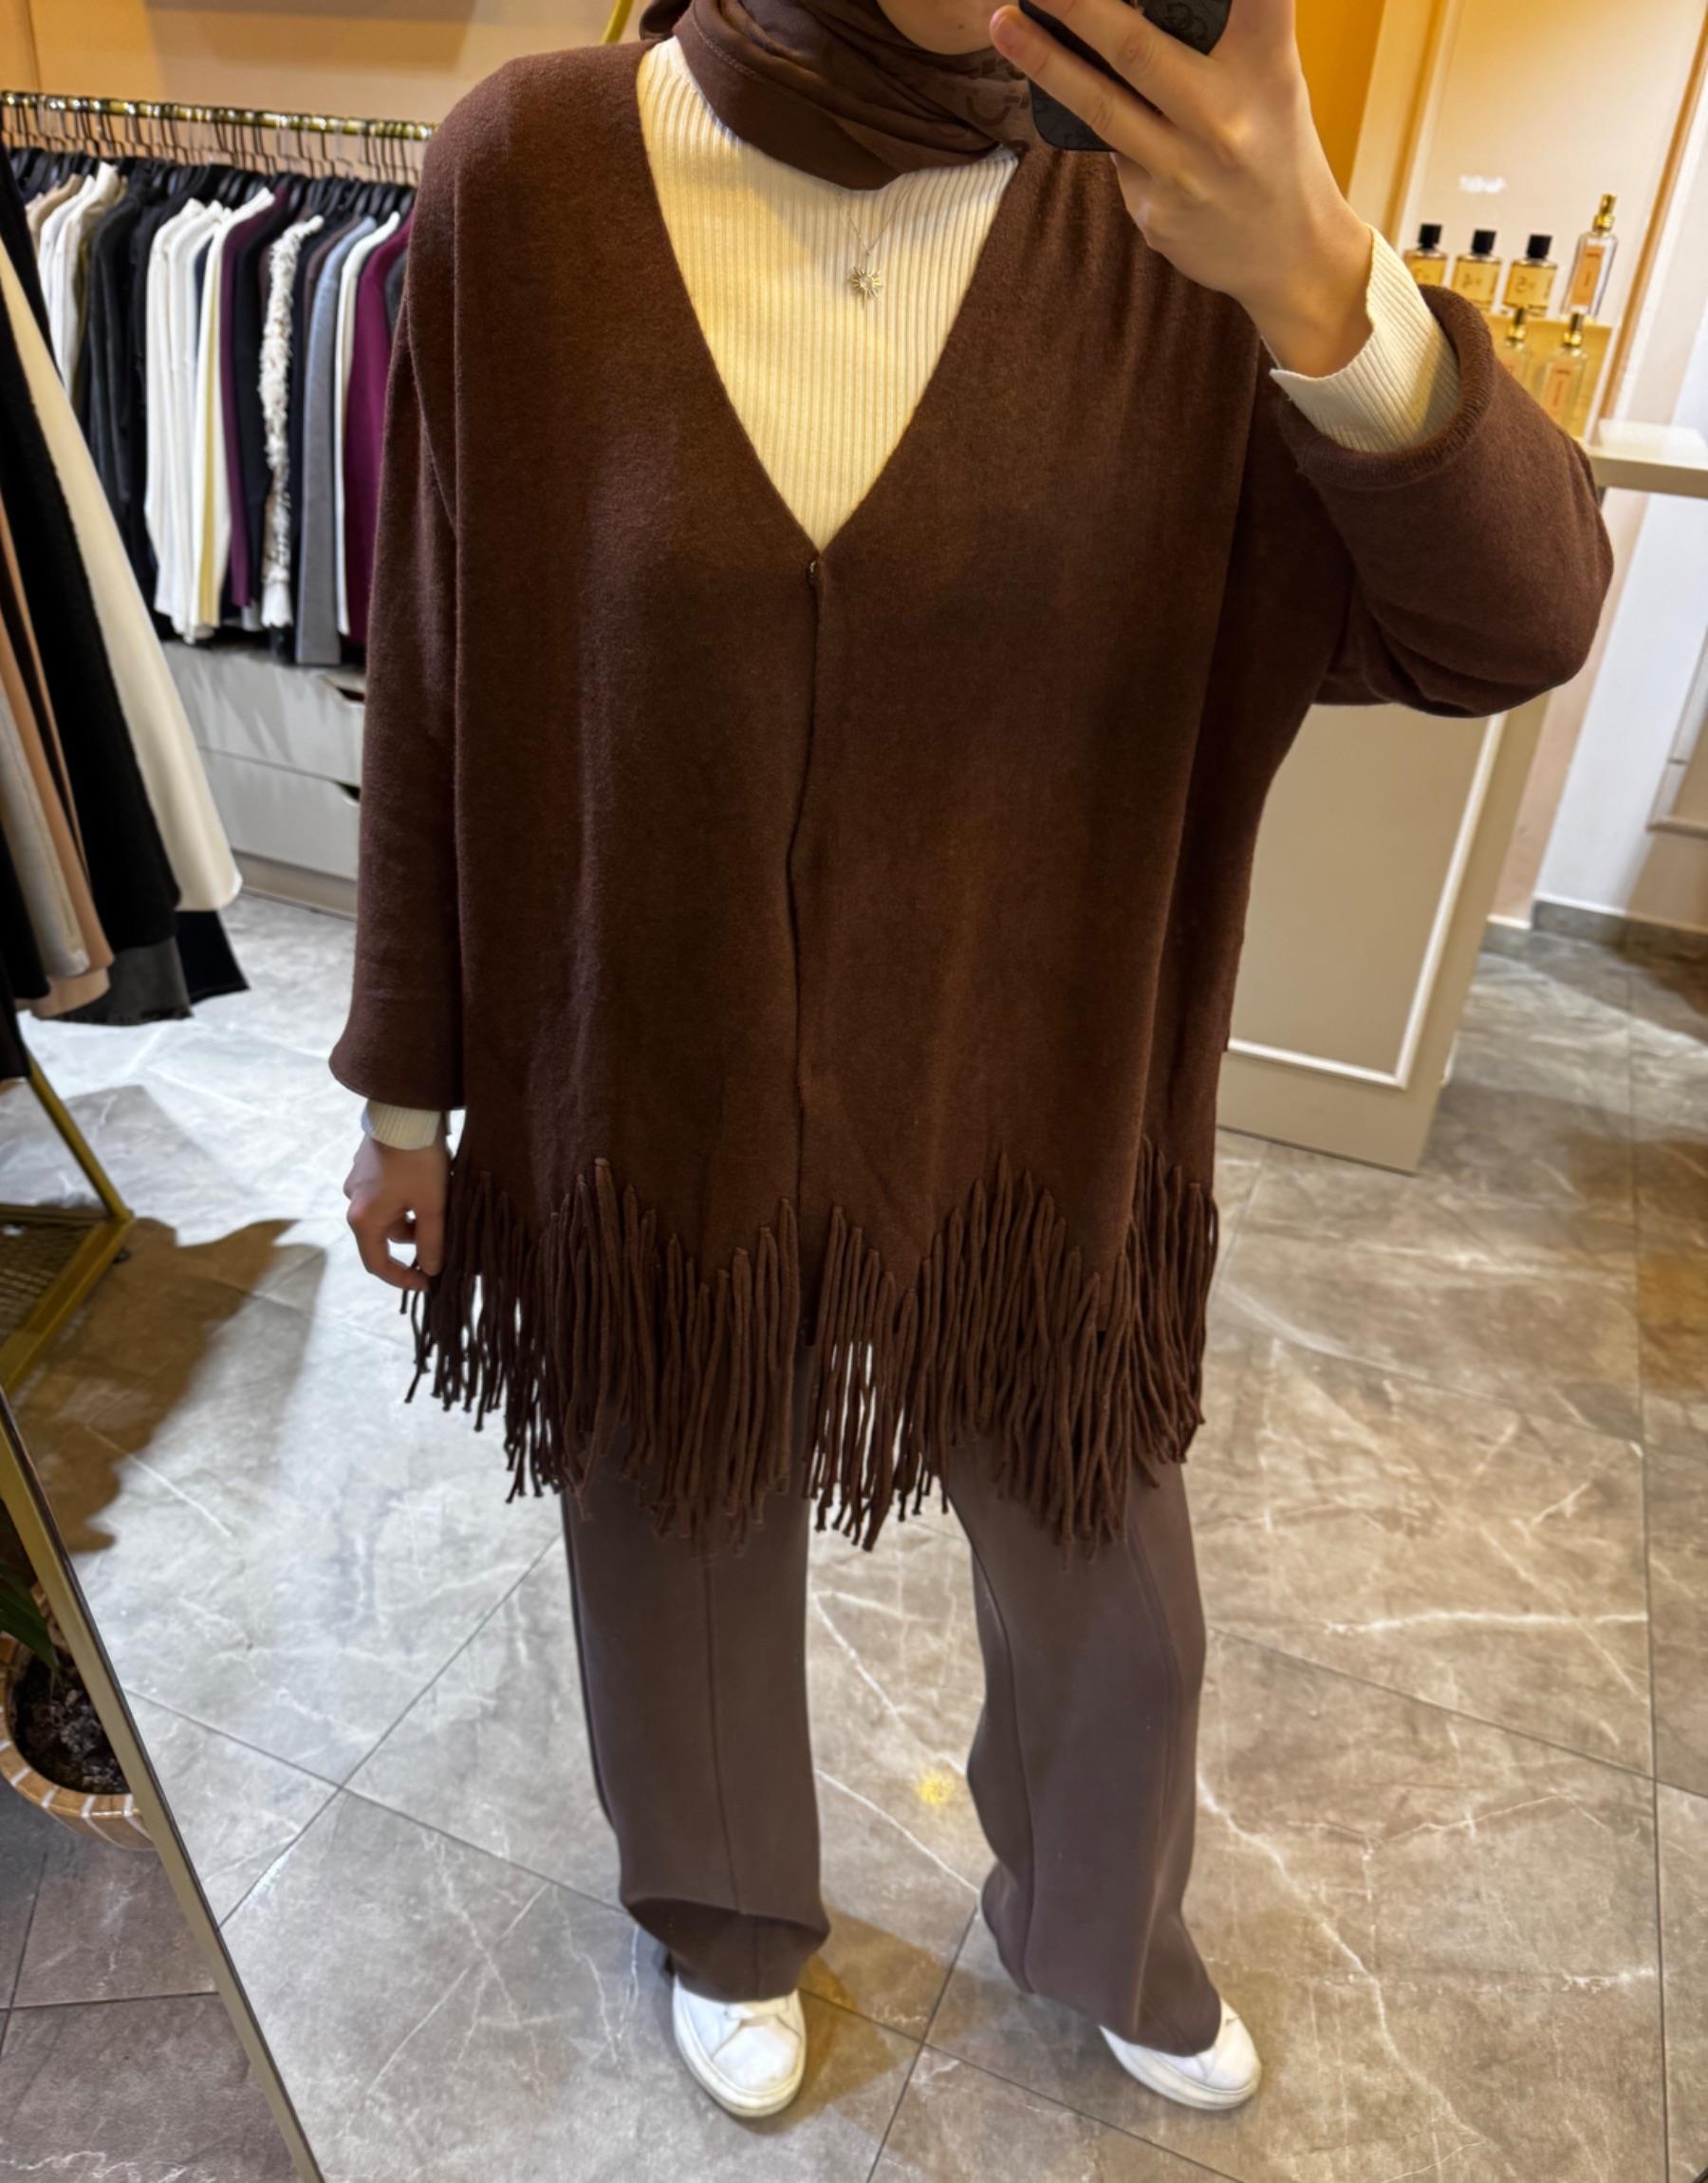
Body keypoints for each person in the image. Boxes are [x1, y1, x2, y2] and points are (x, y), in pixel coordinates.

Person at [332, 0, 1613, 2125]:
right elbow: (441, 659)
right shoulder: (532, 175)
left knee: (1118, 1607)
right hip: (651, 1092)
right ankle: (723, 1917)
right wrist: (408, 1089)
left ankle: (1105, 1924)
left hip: (1033, 1113)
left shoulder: (1173, 224)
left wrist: (1314, 271)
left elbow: (1520, 618)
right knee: (672, 1523)